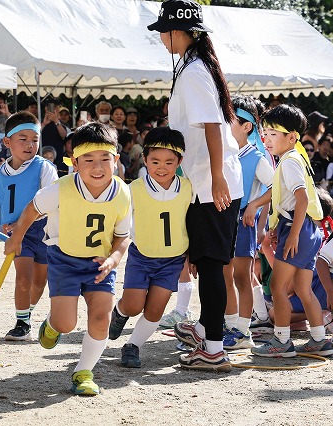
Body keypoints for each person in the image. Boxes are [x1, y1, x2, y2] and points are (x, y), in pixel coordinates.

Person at [148, 0, 243, 371]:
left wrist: (216, 177)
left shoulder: (193, 71)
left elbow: (213, 127)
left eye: (163, 32)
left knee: (211, 263)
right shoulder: (197, 65)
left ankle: (213, 349)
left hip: (210, 181)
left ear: (178, 32)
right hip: (209, 178)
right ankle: (206, 329)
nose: (161, 39)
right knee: (208, 262)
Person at [4, 122, 131, 396]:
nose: (97, 167)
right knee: (66, 324)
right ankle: (52, 324)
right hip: (64, 260)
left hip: (100, 265)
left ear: (116, 160)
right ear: (74, 162)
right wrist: (16, 238)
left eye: (104, 159)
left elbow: (123, 236)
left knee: (102, 318)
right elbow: (32, 209)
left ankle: (83, 372)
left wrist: (114, 258)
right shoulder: (60, 189)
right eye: (88, 159)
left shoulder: (123, 192)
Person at [248, 104, 333, 357]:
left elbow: (302, 198)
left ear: (292, 137)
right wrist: (259, 207)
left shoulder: (289, 161)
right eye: (265, 133)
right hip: (306, 229)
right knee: (304, 289)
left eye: (273, 134)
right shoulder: (293, 157)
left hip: (298, 228)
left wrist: (293, 234)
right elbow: (278, 192)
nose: (267, 139)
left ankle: (282, 342)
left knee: (277, 287)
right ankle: (319, 340)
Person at [107, 126, 191, 368]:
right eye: (155, 161)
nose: (161, 167)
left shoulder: (188, 188)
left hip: (173, 260)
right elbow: (118, 222)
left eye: (169, 162)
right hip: (142, 256)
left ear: (180, 162)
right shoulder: (133, 189)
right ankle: (120, 312)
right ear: (144, 159)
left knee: (155, 311)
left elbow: (194, 223)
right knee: (133, 305)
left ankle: (132, 346)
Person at [0, 111, 58, 341]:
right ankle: (22, 323)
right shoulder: (0, 173)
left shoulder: (44, 167)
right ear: (7, 141)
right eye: (23, 139)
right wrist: (6, 225)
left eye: (34, 139)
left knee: (40, 282)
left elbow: (50, 202)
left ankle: (27, 314)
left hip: (45, 229)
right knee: (23, 277)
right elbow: (4, 201)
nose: (30, 145)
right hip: (19, 234)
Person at [222, 95, 274, 350]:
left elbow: (277, 187)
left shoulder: (256, 157)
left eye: (230, 119)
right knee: (224, 274)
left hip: (243, 221)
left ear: (246, 127)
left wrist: (254, 205)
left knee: (243, 277)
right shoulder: (223, 152)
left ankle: (243, 331)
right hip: (223, 219)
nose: (225, 123)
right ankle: (231, 325)